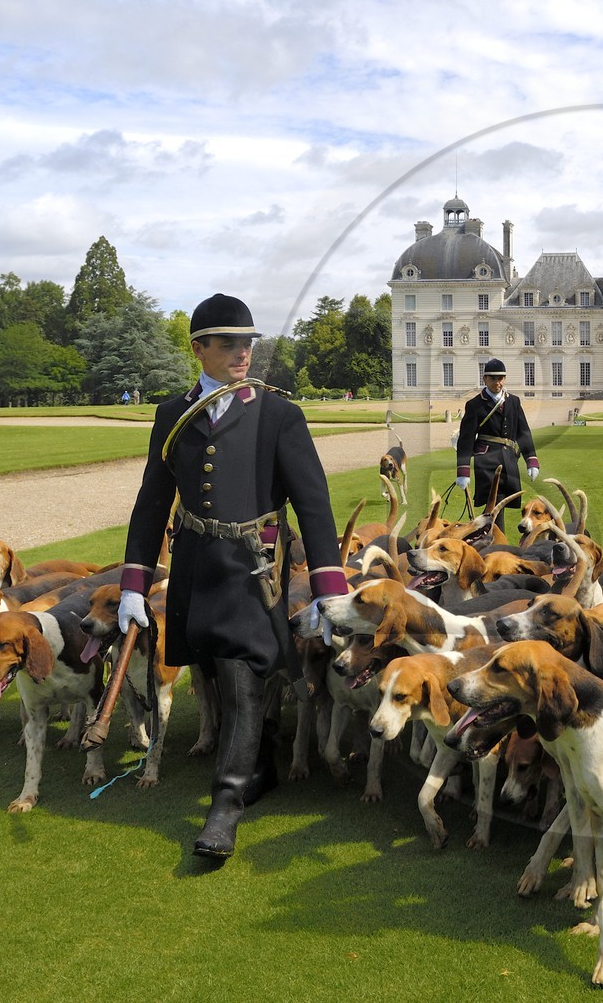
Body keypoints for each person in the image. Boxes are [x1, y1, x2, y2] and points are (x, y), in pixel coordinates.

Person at [116, 293, 348, 862]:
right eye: (229, 344)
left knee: (243, 674)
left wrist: (328, 590)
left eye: (248, 343)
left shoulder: (278, 414)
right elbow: (152, 503)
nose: (243, 353)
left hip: (255, 567)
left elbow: (313, 504)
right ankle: (261, 761)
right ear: (199, 349)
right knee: (218, 674)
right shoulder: (172, 415)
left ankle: (225, 804)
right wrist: (133, 584)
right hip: (197, 564)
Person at [455, 358, 540, 527]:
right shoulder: (474, 405)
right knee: (493, 503)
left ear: (505, 379)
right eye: (493, 378)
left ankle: (489, 535)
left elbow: (523, 432)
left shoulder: (513, 401)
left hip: (509, 459)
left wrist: (531, 460)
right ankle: (495, 538)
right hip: (486, 460)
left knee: (502, 502)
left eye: (500, 378)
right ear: (485, 379)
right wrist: (463, 471)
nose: (497, 382)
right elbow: (466, 439)